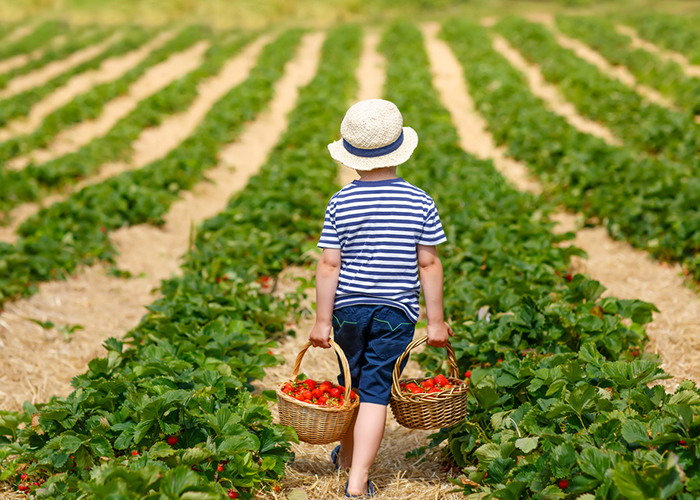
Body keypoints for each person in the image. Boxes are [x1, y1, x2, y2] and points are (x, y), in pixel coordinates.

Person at [308, 99, 452, 498]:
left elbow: (328, 266)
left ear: (352, 156)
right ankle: (357, 480)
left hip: (347, 311)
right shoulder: (419, 201)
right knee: (375, 393)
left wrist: (322, 320)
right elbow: (428, 265)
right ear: (400, 150)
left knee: (349, 385)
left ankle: (349, 458)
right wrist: (435, 321)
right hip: (395, 312)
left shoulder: (341, 201)